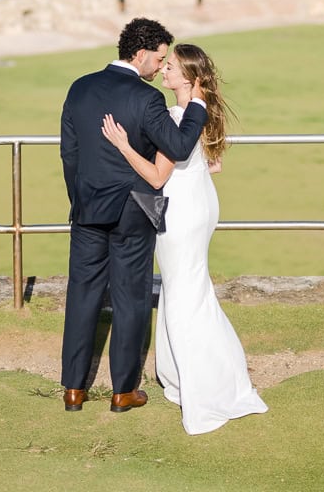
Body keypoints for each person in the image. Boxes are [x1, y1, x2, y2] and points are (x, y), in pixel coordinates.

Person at [101, 43, 268, 435]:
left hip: (181, 212)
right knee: (193, 289)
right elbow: (215, 163)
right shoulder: (199, 109)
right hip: (200, 202)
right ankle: (192, 375)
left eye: (171, 67)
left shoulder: (179, 116)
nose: (163, 71)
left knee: (182, 294)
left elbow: (157, 176)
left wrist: (123, 145)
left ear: (189, 78)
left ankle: (203, 386)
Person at [59, 17, 208, 414]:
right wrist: (196, 106)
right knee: (130, 298)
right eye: (159, 59)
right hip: (132, 211)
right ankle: (122, 392)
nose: (160, 67)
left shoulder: (80, 87)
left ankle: (74, 389)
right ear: (140, 54)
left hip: (87, 207)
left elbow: (69, 154)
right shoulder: (146, 99)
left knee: (82, 294)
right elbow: (177, 144)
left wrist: (81, 199)